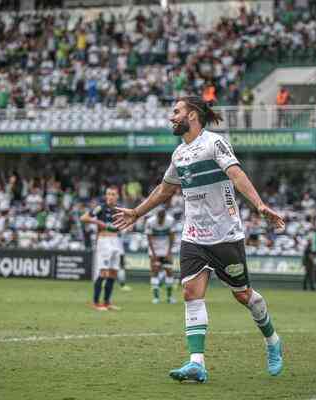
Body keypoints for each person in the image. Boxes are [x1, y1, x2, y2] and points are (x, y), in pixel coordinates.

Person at [114, 96, 285, 383]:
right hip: (193, 236)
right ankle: (197, 363)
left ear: (192, 115)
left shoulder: (214, 143)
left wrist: (259, 205)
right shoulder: (179, 154)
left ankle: (272, 341)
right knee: (191, 293)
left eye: (176, 112)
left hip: (226, 235)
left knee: (243, 295)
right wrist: (136, 212)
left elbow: (236, 174)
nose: (172, 117)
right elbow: (164, 190)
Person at [81, 186, 125, 311]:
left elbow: (125, 223)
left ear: (117, 196)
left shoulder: (119, 209)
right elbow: (84, 218)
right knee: (103, 272)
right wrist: (97, 222)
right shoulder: (101, 207)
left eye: (113, 194)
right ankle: (95, 302)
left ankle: (106, 302)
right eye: (108, 194)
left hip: (116, 241)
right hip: (104, 241)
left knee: (113, 272)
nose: (110, 196)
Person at [145, 206, 177, 304]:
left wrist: (169, 252)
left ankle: (169, 297)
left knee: (169, 272)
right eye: (159, 217)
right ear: (157, 216)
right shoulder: (150, 222)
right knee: (154, 271)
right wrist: (154, 254)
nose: (161, 220)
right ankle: (156, 298)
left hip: (166, 249)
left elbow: (172, 237)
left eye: (162, 218)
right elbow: (149, 239)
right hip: (154, 249)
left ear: (165, 216)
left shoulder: (170, 221)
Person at [302, 218, 316, 291]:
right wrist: (313, 261)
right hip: (308, 262)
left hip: (307, 261)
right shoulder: (308, 247)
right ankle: (310, 287)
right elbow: (309, 255)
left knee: (308, 274)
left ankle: (306, 286)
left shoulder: (307, 247)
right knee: (310, 274)